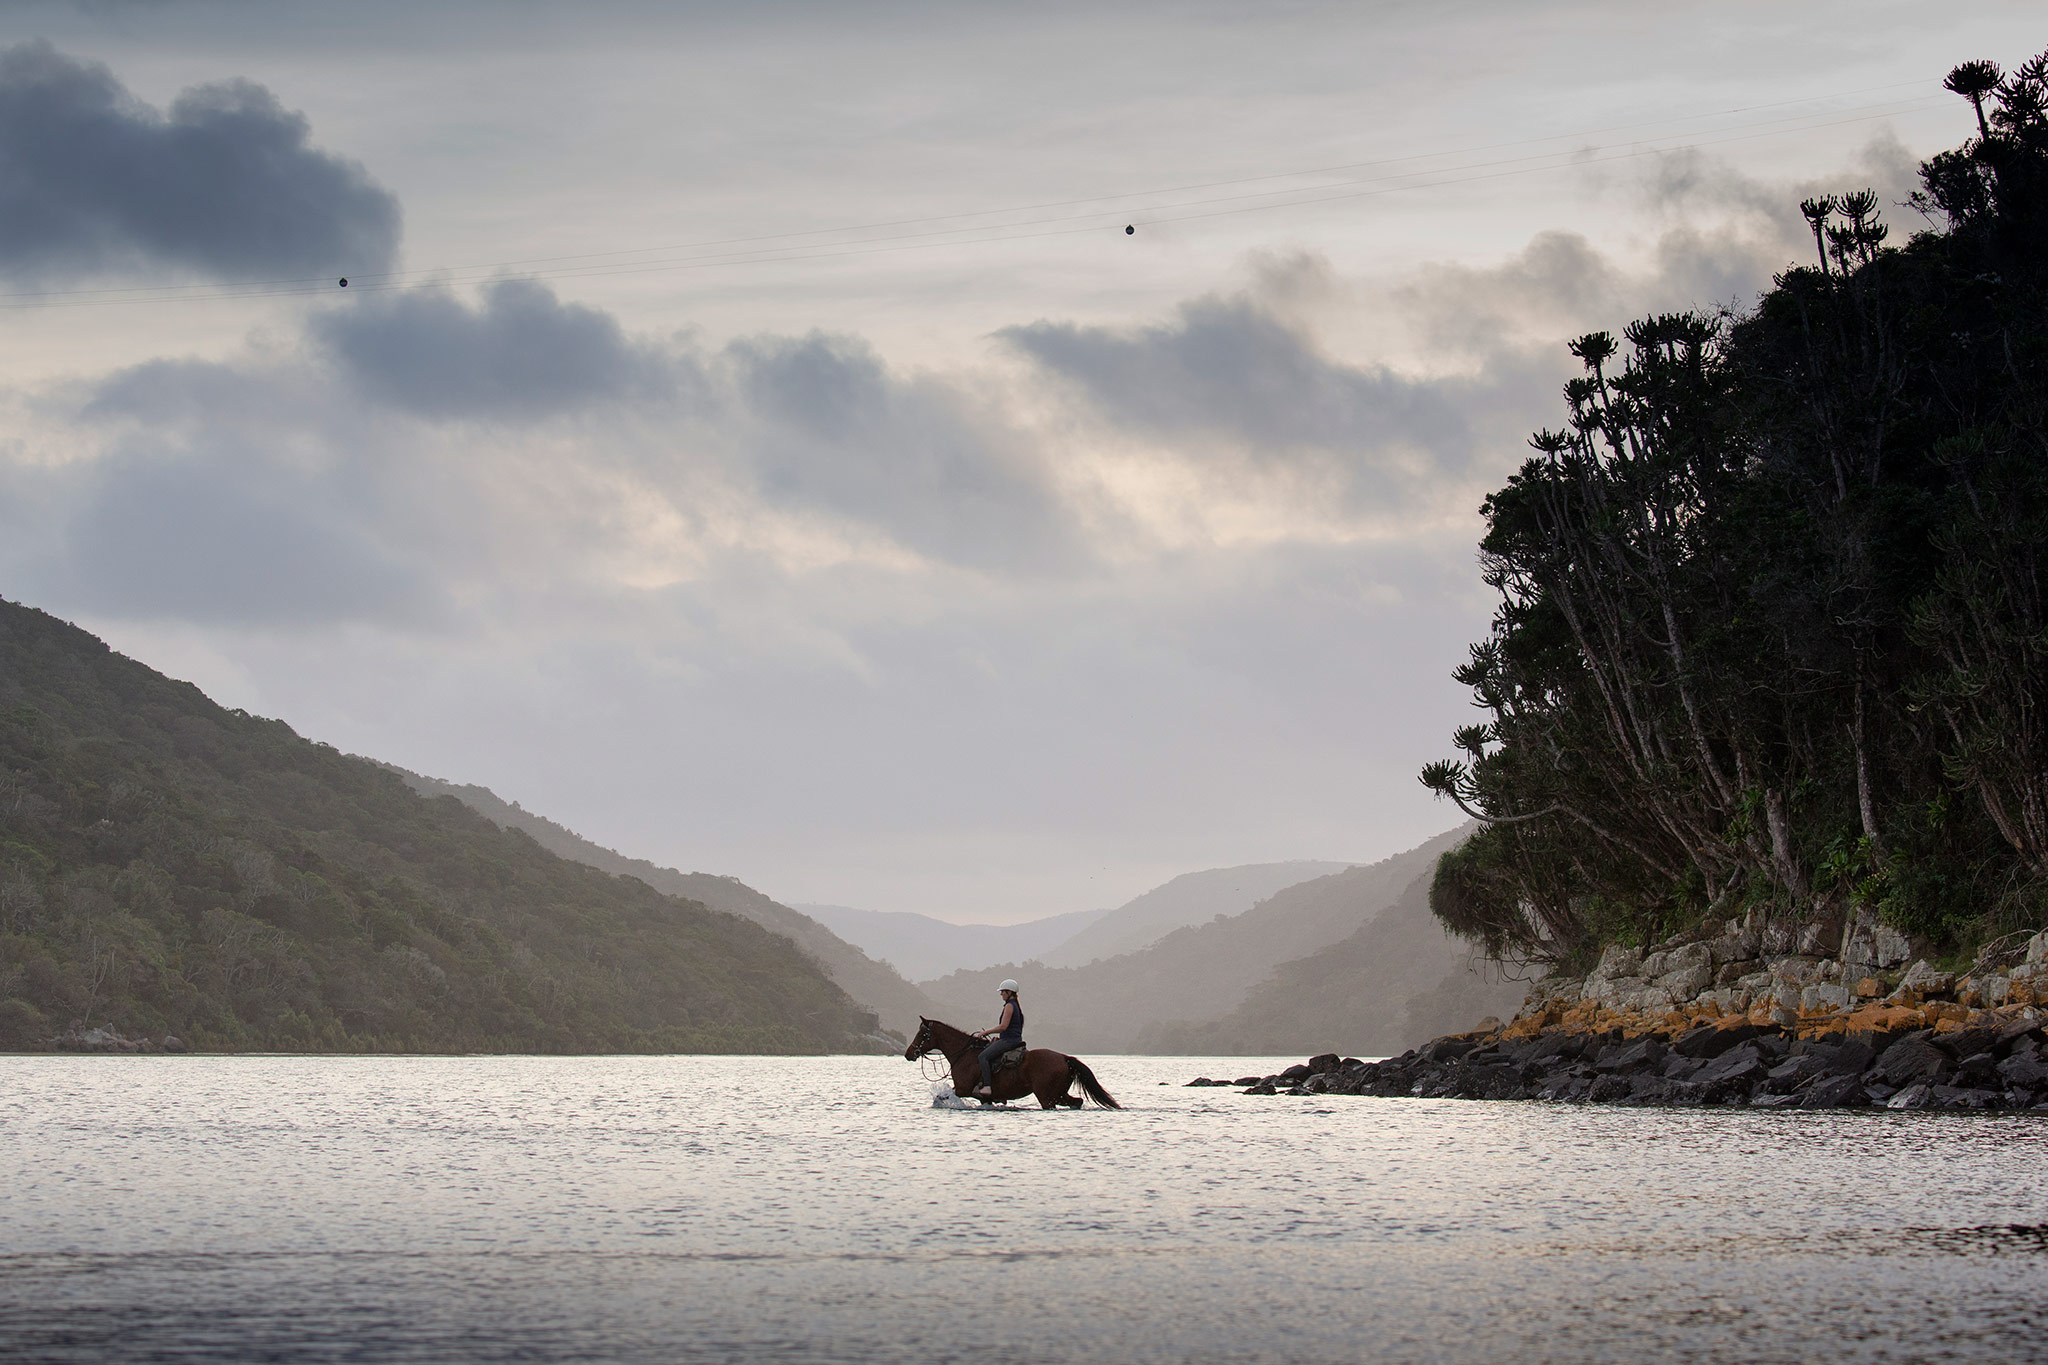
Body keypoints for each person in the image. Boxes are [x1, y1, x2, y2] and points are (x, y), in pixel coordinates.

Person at [971, 980, 1025, 1098]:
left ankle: (987, 1086)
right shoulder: (1015, 1005)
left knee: (983, 1056)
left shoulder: (1010, 1006)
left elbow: (1003, 1027)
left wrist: (985, 1032)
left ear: (1009, 992)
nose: (1001, 994)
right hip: (1011, 1039)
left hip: (1009, 1041)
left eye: (1002, 992)